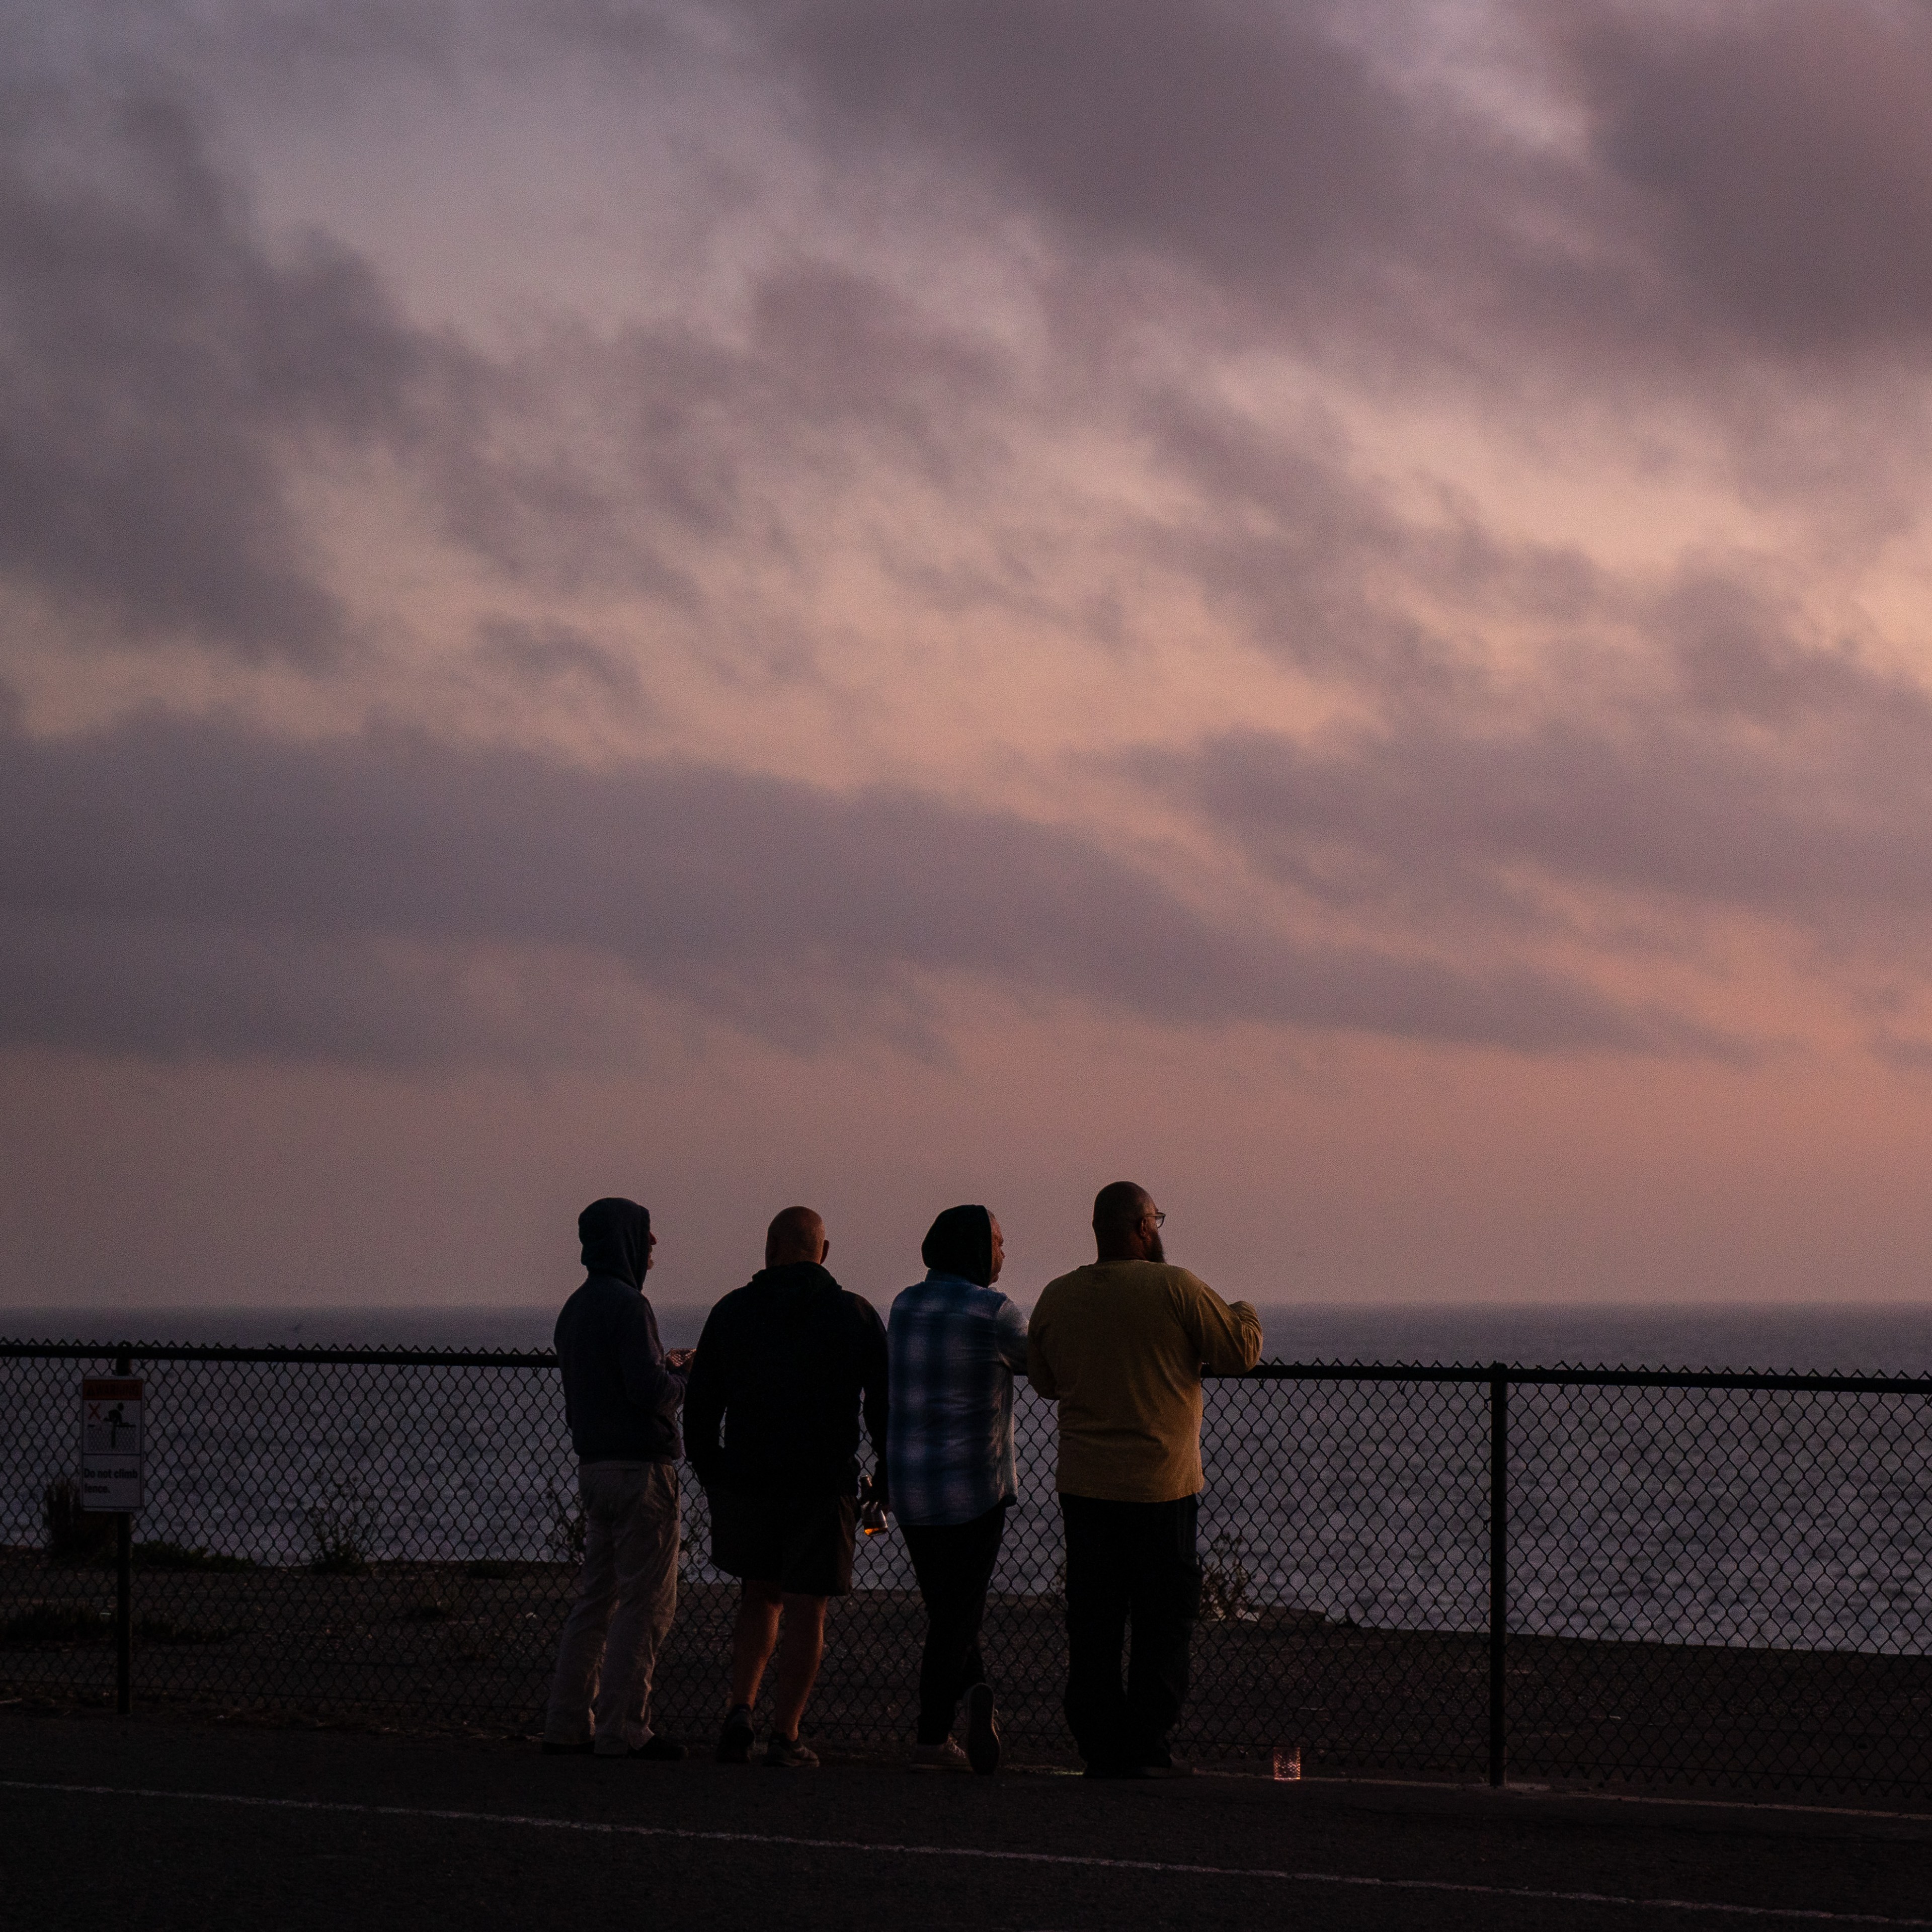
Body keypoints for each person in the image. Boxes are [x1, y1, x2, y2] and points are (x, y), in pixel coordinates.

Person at [1027, 1182, 1262, 1779]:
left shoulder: (1059, 1296)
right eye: (1154, 1220)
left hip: (1085, 1488)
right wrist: (1247, 1310)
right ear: (1141, 1229)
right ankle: (1146, 1740)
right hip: (1161, 1488)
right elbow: (1238, 1350)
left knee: (1095, 1620)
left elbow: (1046, 1381)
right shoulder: (1176, 1288)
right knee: (1163, 1622)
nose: (1158, 1229)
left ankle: (1100, 1742)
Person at [683, 1205, 889, 1768]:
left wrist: (714, 1471)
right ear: (824, 1251)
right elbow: (882, 1408)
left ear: (769, 1248)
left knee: (759, 1594)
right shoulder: (854, 1315)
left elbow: (701, 1407)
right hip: (823, 1483)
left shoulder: (733, 1313)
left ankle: (740, 1709)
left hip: (750, 1479)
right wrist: (886, 1474)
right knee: (807, 1607)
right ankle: (785, 1734)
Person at [542, 1196, 693, 1759]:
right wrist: (683, 1379)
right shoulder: (632, 1308)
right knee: (646, 1602)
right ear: (628, 1239)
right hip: (640, 1470)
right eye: (647, 1232)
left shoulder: (575, 1310)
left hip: (595, 1467)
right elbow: (650, 1393)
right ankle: (624, 1726)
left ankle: (566, 1720)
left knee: (596, 1599)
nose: (653, 1243)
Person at [886, 1204, 1029, 1774]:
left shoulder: (904, 1304)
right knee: (955, 1617)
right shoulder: (994, 1312)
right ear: (974, 1248)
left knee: (947, 1606)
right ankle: (930, 1737)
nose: (1003, 1252)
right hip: (974, 1487)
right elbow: (1045, 1369)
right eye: (997, 1241)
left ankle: (975, 1694)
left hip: (912, 1487)